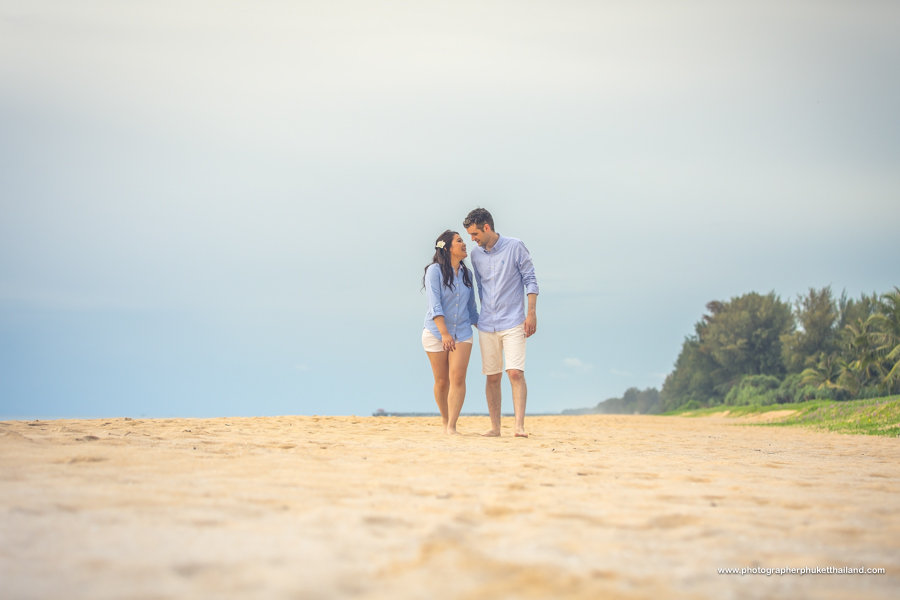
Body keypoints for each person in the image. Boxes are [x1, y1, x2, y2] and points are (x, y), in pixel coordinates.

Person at [463, 208, 539, 438]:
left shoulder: (515, 246)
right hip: (487, 324)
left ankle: (519, 427)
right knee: (493, 376)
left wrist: (531, 314)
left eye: (475, 234)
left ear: (487, 227)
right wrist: (476, 318)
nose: (472, 239)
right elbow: (478, 287)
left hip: (514, 320)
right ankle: (496, 428)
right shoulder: (475, 256)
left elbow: (531, 280)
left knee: (515, 373)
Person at [422, 230, 479, 434]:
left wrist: (486, 325)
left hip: (462, 332)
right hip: (436, 332)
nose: (464, 244)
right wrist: (445, 333)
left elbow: (472, 309)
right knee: (442, 380)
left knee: (458, 377)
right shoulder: (434, 271)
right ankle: (445, 420)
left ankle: (452, 426)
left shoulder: (467, 274)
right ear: (447, 248)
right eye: (459, 241)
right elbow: (434, 305)